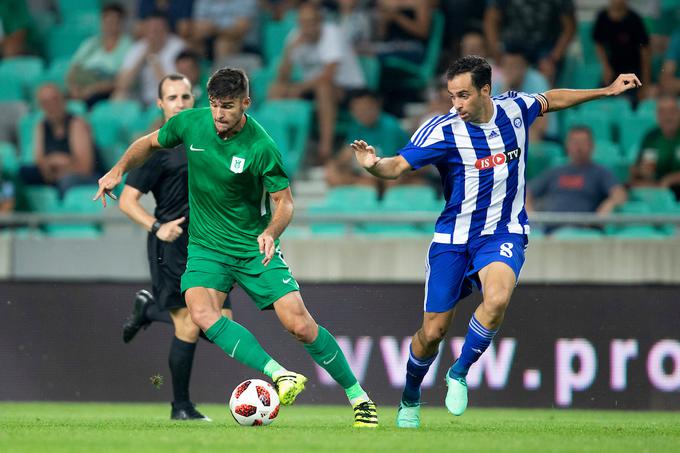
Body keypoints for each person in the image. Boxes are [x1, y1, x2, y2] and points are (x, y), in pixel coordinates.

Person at [351, 55, 640, 428]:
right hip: (453, 240)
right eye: (452, 96)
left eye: (464, 96)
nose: (457, 104)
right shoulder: (442, 130)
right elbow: (398, 167)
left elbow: (553, 98)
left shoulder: (515, 109)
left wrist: (606, 90)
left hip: (504, 231)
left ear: (486, 90)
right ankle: (410, 396)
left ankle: (458, 372)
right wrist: (374, 164)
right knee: (432, 332)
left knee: (498, 297)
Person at [94, 68, 378, 428]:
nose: (219, 114)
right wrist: (117, 170)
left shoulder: (261, 147)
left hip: (252, 246)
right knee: (201, 314)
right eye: (214, 105)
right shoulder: (190, 124)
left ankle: (359, 397)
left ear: (246, 102)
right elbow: (147, 144)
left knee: (300, 325)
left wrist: (272, 232)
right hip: (206, 247)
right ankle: (280, 373)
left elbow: (285, 203)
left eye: (227, 106)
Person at [118, 74, 233, 421]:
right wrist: (157, 226)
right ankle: (180, 407)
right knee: (188, 324)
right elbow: (127, 200)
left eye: (185, 96)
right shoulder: (156, 149)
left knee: (221, 326)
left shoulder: (210, 137)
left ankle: (149, 310)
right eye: (172, 98)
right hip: (172, 243)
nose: (180, 103)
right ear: (160, 104)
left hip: (211, 244)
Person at [268, 1, 365, 162]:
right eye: (303, 22)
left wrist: (299, 88)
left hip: (348, 89)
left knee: (323, 88)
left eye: (311, 22)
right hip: (312, 88)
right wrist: (289, 52)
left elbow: (328, 75)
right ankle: (278, 144)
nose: (307, 27)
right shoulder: (295, 37)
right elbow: (282, 77)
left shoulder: (331, 33)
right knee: (275, 89)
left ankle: (324, 149)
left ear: (320, 21)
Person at [526, 126, 628, 232]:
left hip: (584, 231)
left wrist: (609, 204)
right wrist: (531, 216)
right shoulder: (555, 171)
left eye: (583, 143)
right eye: (574, 142)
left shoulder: (600, 172)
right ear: (567, 146)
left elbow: (620, 194)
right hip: (552, 231)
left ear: (592, 146)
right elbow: (527, 192)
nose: (579, 147)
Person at [19, 83, 99, 197]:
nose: (51, 105)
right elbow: (40, 162)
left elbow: (85, 168)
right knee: (22, 173)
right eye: (45, 102)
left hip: (83, 177)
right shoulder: (41, 126)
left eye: (54, 99)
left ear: (63, 100)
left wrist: (61, 163)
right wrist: (56, 162)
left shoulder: (76, 124)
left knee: (66, 181)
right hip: (54, 175)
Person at [483, 0, 576, 83]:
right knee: (510, 74)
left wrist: (553, 58)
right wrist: (496, 51)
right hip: (513, 47)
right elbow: (491, 19)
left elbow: (569, 28)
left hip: (546, 49)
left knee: (547, 72)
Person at [66, 3, 133, 108]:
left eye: (113, 21)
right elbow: (73, 69)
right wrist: (73, 88)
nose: (109, 25)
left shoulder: (128, 46)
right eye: (106, 21)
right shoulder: (90, 43)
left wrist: (93, 89)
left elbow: (120, 80)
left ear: (121, 23)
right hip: (82, 86)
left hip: (105, 91)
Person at [114, 12, 186, 106]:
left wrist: (153, 59)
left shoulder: (178, 47)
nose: (153, 35)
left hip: (168, 101)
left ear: (166, 31)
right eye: (150, 30)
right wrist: (143, 56)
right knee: (118, 95)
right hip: (140, 100)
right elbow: (121, 85)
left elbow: (174, 89)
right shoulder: (138, 47)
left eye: (157, 30)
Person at [592, 0, 650, 102]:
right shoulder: (602, 18)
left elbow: (645, 53)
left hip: (633, 72)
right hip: (613, 71)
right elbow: (598, 44)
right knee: (600, 100)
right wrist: (606, 67)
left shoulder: (634, 19)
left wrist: (645, 84)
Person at [629, 95, 680, 199]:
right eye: (663, 112)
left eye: (672, 111)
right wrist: (641, 170)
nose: (668, 116)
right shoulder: (651, 137)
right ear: (657, 116)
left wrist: (670, 179)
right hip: (657, 187)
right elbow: (645, 167)